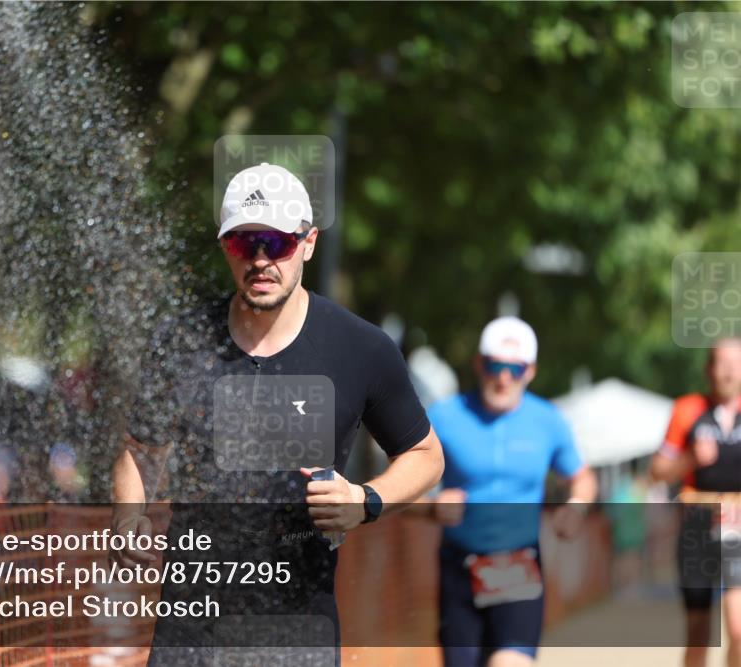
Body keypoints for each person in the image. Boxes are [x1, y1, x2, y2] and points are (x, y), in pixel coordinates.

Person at [110, 162, 444, 666]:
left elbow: (425, 455)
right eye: (245, 244)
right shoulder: (181, 341)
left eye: (278, 243)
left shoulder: (360, 348)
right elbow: (141, 451)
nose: (261, 259)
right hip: (190, 629)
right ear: (226, 247)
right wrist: (128, 515)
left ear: (308, 242)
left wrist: (364, 500)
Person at [425, 316, 597, 667]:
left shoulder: (547, 420)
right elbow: (401, 480)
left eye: (514, 369)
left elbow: (582, 477)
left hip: (519, 566)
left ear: (530, 371)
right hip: (459, 566)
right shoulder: (444, 417)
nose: (503, 378)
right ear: (478, 364)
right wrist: (429, 506)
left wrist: (576, 507)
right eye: (495, 365)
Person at [650, 337, 741, 667]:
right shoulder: (687, 410)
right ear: (708, 370)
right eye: (722, 363)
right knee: (699, 634)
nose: (730, 372)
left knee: (739, 627)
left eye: (736, 363)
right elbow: (657, 470)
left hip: (738, 528)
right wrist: (689, 457)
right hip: (697, 529)